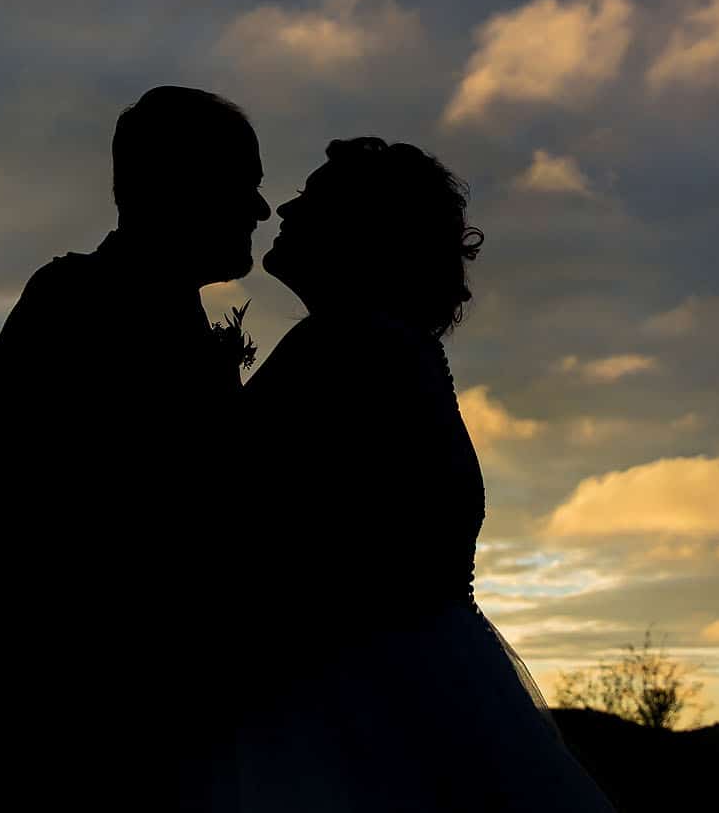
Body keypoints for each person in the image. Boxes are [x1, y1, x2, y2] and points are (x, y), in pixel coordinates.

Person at [233, 137, 617, 812]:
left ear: (361, 229)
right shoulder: (395, 345)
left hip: (352, 700)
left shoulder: (348, 342)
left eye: (315, 196)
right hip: (426, 687)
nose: (288, 206)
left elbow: (220, 492)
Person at [0, 86, 270, 806]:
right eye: (247, 185)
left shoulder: (176, 318)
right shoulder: (71, 301)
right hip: (56, 736)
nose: (261, 210)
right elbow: (30, 503)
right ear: (185, 185)